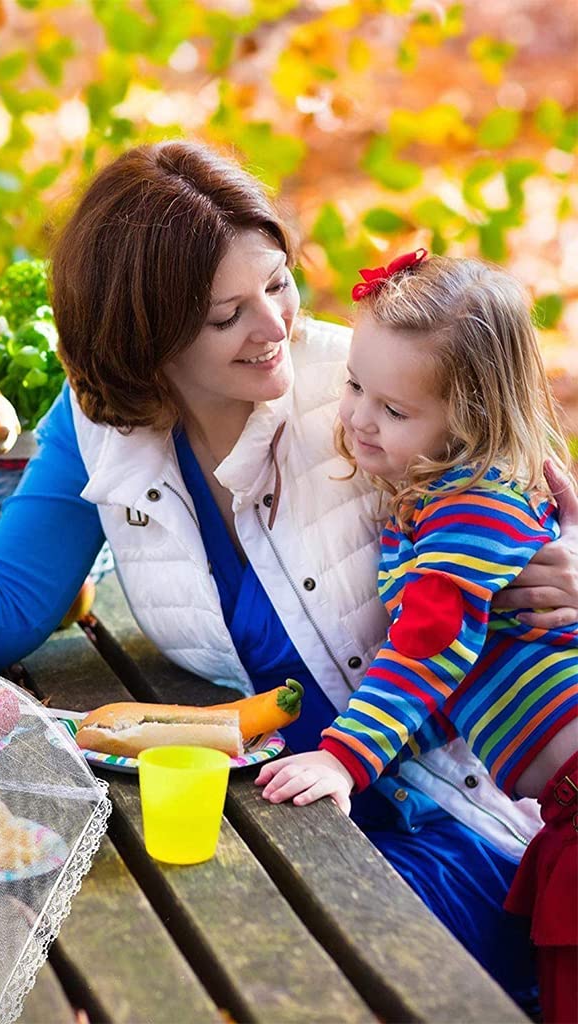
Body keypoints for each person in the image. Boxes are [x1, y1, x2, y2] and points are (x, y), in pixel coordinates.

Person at [0, 141, 578, 1011]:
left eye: (276, 283)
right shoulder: (100, 420)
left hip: (456, 820)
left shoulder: (375, 394)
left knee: (262, 980)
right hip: (283, 812)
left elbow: (525, 486)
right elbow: (2, 612)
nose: (273, 325)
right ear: (144, 335)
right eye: (224, 314)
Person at [255, 251, 577, 1022]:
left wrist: (345, 758)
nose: (361, 417)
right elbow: (464, 678)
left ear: (472, 420)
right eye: (356, 386)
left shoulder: (471, 510)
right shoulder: (445, 500)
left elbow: (426, 652)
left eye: (396, 411)